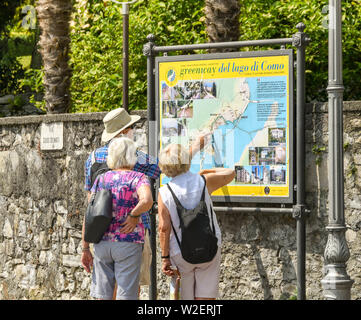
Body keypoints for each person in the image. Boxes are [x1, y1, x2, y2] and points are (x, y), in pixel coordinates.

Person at [157, 143, 235, 300]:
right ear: (186, 161)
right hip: (209, 246)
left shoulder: (164, 192)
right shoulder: (203, 181)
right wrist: (207, 171)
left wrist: (165, 258)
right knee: (206, 297)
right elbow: (231, 173)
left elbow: (164, 228)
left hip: (180, 251)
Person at [81, 137, 153, 300]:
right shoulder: (139, 178)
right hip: (128, 241)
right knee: (126, 293)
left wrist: (85, 248)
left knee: (103, 295)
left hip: (103, 243)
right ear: (132, 156)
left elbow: (89, 213)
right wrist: (134, 214)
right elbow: (147, 200)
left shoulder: (101, 179)